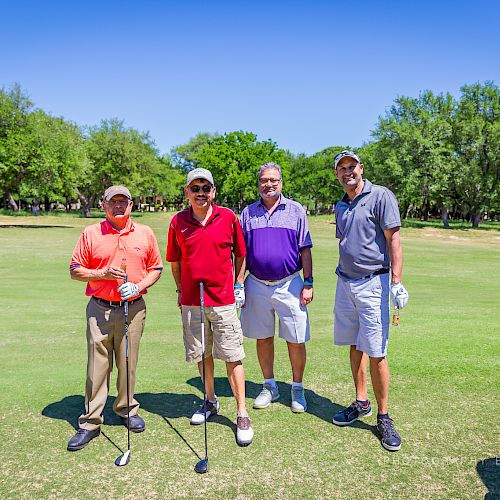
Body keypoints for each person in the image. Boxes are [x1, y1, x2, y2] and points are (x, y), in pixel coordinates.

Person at [67, 185, 163, 451]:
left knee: (127, 362)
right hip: (100, 309)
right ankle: (90, 422)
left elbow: (156, 267)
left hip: (133, 307)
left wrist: (139, 286)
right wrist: (102, 274)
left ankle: (127, 409)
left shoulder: (145, 233)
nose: (119, 206)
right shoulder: (91, 233)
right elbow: (75, 270)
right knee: (98, 366)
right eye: (113, 202)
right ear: (104, 205)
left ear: (131, 205)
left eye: (124, 202)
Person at [166, 168, 253, 446]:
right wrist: (181, 292)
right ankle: (210, 400)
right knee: (202, 354)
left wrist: (238, 284)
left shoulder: (227, 217)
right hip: (193, 301)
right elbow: (175, 262)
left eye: (206, 188)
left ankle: (242, 412)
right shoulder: (177, 221)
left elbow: (241, 253)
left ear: (213, 192)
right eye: (195, 188)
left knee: (231, 355)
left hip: (224, 300)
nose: (200, 193)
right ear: (187, 192)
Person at [331, 150, 409, 452]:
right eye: (342, 169)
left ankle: (384, 415)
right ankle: (361, 402)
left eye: (352, 167)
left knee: (376, 351)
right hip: (345, 283)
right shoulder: (341, 204)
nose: (348, 172)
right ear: (337, 175)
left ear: (361, 168)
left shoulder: (381, 196)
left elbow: (394, 239)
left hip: (373, 282)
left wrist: (397, 281)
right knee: (355, 344)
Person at [240, 162, 313, 413]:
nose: (268, 184)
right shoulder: (248, 213)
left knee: (296, 338)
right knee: (263, 337)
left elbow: (305, 248)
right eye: (264, 180)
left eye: (273, 180)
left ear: (281, 182)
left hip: (290, 282)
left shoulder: (295, 210)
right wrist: (239, 283)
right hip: (257, 283)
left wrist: (309, 283)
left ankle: (297, 388)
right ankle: (269, 385)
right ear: (258, 183)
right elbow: (241, 253)